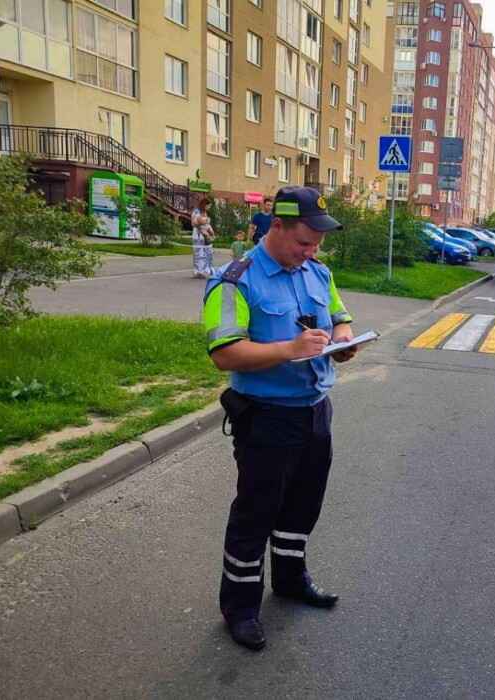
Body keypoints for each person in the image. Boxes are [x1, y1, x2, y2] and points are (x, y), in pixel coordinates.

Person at [202, 186, 359, 651]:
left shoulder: (318, 272)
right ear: (277, 226)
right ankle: (240, 607)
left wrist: (343, 339)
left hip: (314, 410)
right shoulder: (234, 280)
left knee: (302, 505)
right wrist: (290, 349)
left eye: (317, 244)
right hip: (266, 417)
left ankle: (290, 580)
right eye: (304, 242)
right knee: (255, 514)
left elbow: (340, 317)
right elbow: (225, 353)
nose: (311, 252)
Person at [191, 196, 216, 278]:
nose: (209, 207)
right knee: (199, 254)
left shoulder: (204, 212)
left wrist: (211, 232)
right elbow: (194, 223)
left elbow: (207, 224)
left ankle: (205, 270)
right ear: (204, 204)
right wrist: (202, 222)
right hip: (198, 235)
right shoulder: (196, 211)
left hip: (206, 236)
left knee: (206, 253)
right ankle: (198, 272)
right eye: (208, 206)